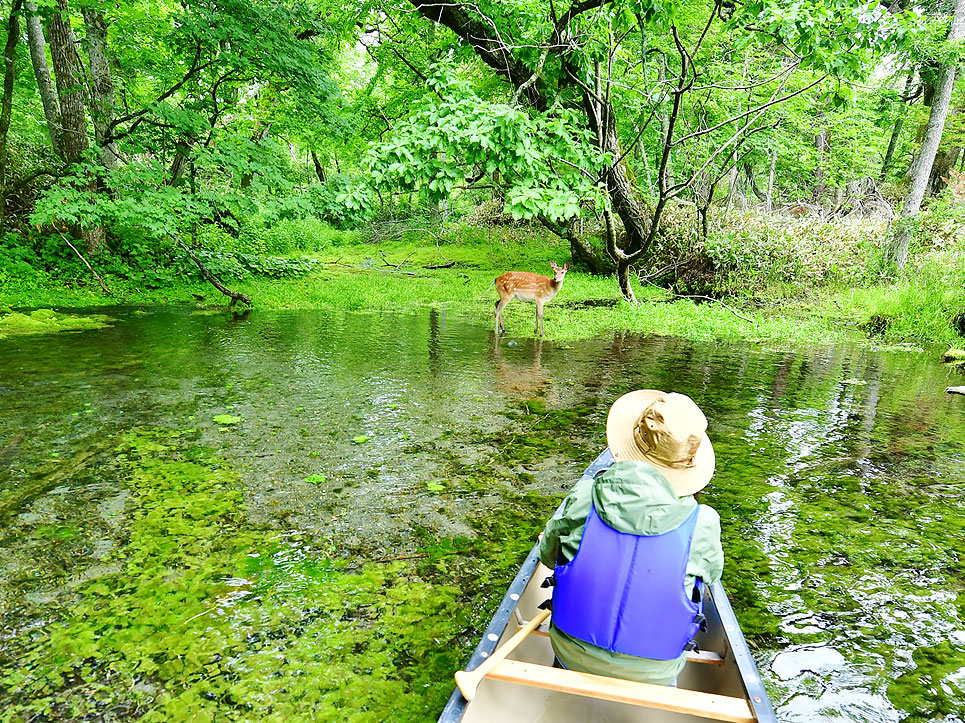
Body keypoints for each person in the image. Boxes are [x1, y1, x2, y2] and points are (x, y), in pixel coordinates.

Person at [537, 390, 724, 686]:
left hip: (571, 652)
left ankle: (563, 681)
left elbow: (547, 557)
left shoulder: (586, 495)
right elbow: (710, 576)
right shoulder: (704, 522)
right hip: (657, 670)